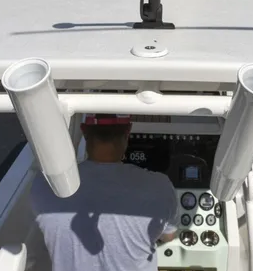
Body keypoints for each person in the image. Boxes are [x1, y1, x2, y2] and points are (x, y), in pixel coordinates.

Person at [30, 114, 179, 271]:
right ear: (127, 132)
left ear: (84, 132)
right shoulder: (160, 185)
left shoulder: (44, 185)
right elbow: (168, 236)